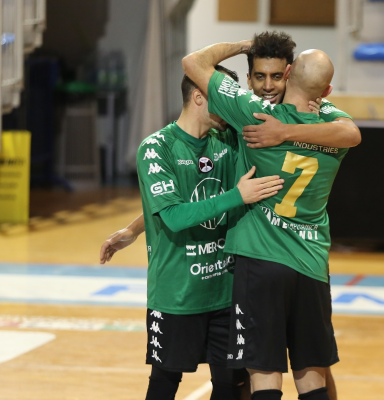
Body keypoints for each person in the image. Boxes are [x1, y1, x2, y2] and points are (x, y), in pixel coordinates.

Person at [101, 31, 360, 400]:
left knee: (255, 377)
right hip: (228, 278)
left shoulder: (247, 125)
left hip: (245, 273)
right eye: (259, 77)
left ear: (289, 76)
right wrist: (134, 228)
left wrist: (283, 130)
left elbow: (193, 62)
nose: (267, 86)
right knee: (307, 369)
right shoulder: (320, 126)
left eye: (276, 77)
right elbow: (174, 206)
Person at [182, 40, 352, 400]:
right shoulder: (333, 127)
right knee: (313, 376)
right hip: (311, 263)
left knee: (263, 375)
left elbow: (193, 62)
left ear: (287, 74)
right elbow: (353, 133)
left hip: (260, 263)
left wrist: (248, 45)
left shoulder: (253, 112)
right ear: (326, 92)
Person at [135, 64, 284, 400]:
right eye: (222, 97)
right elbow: (173, 215)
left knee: (231, 386)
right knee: (164, 382)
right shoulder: (156, 147)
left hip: (226, 291)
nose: (230, 107)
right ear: (200, 96)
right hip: (177, 293)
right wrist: (237, 196)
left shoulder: (228, 140)